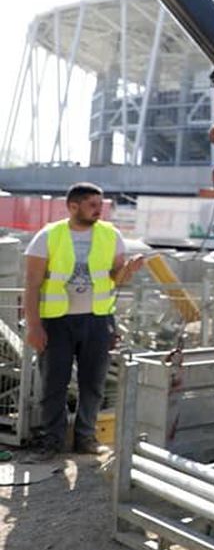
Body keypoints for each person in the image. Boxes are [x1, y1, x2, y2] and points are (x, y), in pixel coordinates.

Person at [22, 182, 144, 460]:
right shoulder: (47, 236)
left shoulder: (110, 235)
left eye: (100, 205)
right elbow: (31, 285)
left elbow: (117, 278)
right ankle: (52, 441)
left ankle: (85, 438)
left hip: (97, 320)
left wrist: (129, 270)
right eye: (92, 205)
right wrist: (34, 326)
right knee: (54, 384)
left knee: (93, 383)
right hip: (56, 322)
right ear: (73, 206)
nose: (98, 210)